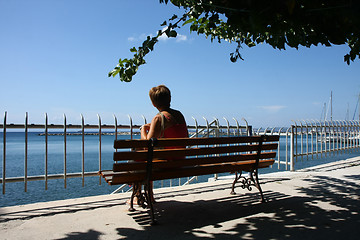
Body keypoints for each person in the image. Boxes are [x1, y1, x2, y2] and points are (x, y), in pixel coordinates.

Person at [130, 85, 188, 205]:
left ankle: (137, 196)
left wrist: (142, 129)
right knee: (148, 158)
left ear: (153, 103)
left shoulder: (158, 119)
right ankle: (149, 196)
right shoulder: (179, 115)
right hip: (180, 160)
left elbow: (147, 145)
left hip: (167, 164)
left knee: (137, 160)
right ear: (170, 98)